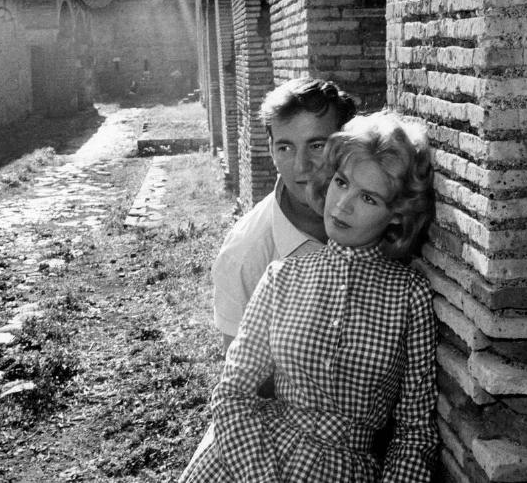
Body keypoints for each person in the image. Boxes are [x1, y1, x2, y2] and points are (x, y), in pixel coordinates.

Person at [181, 112, 438, 482]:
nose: (342, 204)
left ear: (396, 215)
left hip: (345, 469)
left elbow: (415, 432)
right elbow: (233, 392)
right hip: (250, 459)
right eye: (341, 182)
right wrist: (260, 477)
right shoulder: (282, 277)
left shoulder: (409, 296)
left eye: (368, 197)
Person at [212, 77, 357, 357]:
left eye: (317, 146)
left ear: (345, 144)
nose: (301, 167)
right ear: (270, 150)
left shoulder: (379, 217)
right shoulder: (244, 256)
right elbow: (242, 383)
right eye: (285, 148)